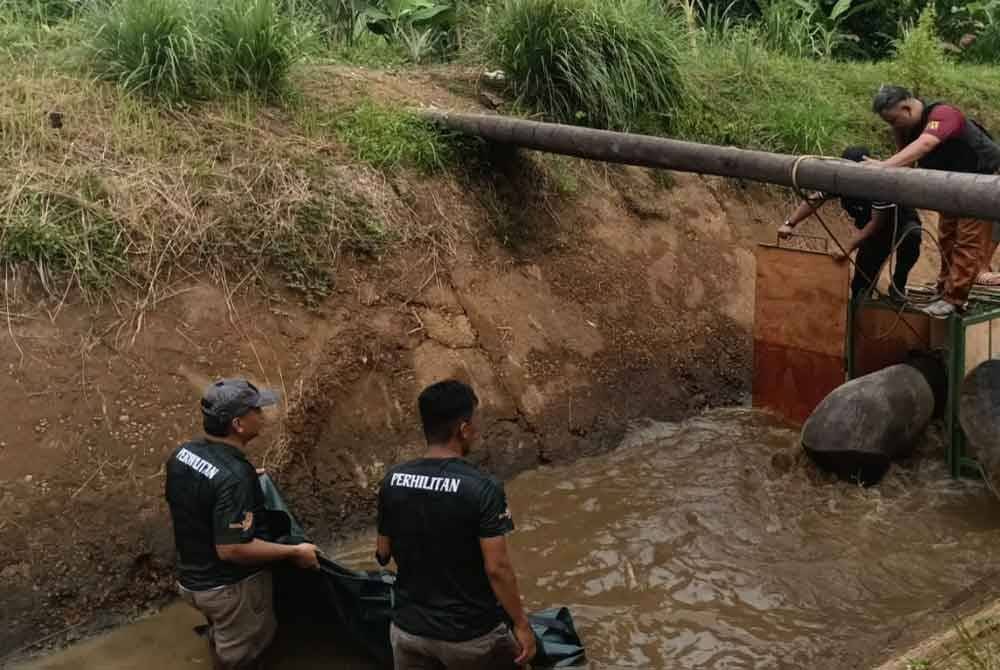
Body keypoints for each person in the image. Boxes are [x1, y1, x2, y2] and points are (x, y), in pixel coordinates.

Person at [375, 380, 536, 669]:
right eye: (474, 422)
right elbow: (497, 569)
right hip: (470, 637)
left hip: (407, 632)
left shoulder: (392, 480)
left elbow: (383, 554)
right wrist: (521, 625)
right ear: (462, 429)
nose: (476, 430)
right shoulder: (483, 488)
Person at [166, 378, 320, 670]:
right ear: (238, 424)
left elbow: (196, 500)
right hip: (230, 589)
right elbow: (232, 550)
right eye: (256, 411)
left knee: (223, 638)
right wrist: (294, 552)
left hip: (191, 580)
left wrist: (244, 480)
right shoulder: (234, 477)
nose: (261, 416)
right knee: (245, 658)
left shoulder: (183, 454)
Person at [868, 85, 1000, 317]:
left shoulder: (943, 114)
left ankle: (954, 299)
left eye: (894, 120)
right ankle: (943, 290)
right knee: (947, 238)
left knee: (967, 242)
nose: (893, 126)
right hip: (950, 186)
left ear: (907, 107)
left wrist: (883, 166)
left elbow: (926, 144)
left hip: (981, 183)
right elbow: (905, 160)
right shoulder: (906, 127)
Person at [778, 146, 923, 303]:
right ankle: (860, 307)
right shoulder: (840, 180)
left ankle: (898, 285)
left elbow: (876, 222)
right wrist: (790, 223)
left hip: (898, 223)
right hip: (874, 234)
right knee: (860, 288)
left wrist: (848, 246)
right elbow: (815, 200)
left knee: (912, 236)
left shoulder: (880, 184)